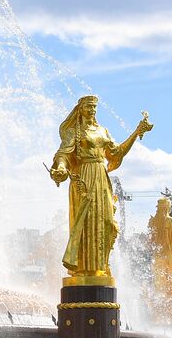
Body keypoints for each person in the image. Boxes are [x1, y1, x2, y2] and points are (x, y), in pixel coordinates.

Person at [48, 95, 152, 280]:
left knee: (107, 223)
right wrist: (62, 168)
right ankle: (83, 269)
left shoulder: (103, 131)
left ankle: (101, 266)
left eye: (94, 107)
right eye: (89, 107)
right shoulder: (74, 131)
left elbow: (117, 153)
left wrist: (136, 133)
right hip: (84, 177)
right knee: (86, 223)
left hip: (102, 178)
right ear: (80, 110)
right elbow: (63, 154)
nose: (92, 110)